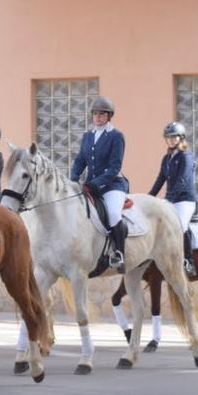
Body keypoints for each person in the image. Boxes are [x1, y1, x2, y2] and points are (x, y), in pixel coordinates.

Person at [71, 96, 130, 276]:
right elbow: (81, 159)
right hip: (91, 185)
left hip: (113, 185)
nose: (97, 117)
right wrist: (73, 179)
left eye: (102, 114)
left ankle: (119, 253)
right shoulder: (88, 136)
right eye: (95, 114)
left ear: (109, 116)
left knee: (112, 213)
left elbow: (114, 167)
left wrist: (95, 183)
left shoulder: (116, 136)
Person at [148, 122, 198, 277]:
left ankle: (189, 261)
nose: (170, 140)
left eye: (174, 137)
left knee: (180, 226)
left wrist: (168, 199)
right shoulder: (167, 158)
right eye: (168, 137)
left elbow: (182, 180)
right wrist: (148, 197)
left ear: (181, 138)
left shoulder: (186, 156)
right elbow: (160, 179)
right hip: (171, 199)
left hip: (185, 200)